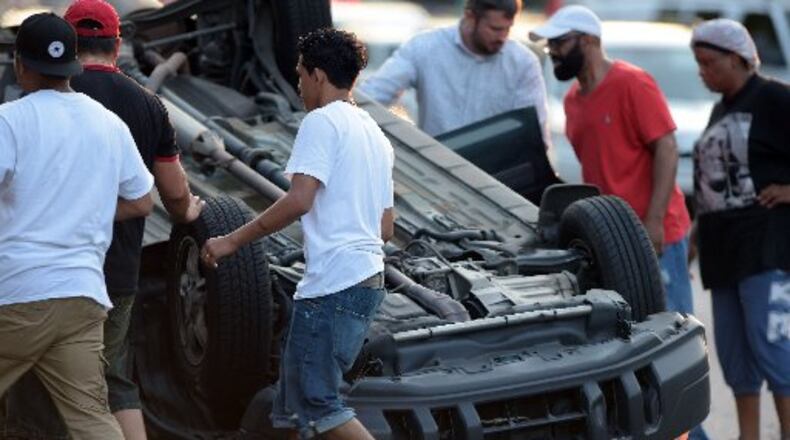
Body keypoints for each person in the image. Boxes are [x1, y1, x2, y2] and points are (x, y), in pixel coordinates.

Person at [3, 1, 204, 439]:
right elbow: (147, 199)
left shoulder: (10, 120)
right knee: (95, 408)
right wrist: (81, 212)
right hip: (90, 292)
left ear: (20, 65)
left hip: (20, 292)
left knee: (30, 410)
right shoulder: (116, 120)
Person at [201, 28, 394, 439]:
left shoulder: (321, 122)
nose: (299, 85)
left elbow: (299, 200)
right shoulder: (375, 134)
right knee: (292, 408)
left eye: (300, 75)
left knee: (318, 401)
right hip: (366, 280)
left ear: (317, 75)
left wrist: (231, 240)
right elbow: (386, 227)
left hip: (334, 284)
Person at [529, 6, 704, 438]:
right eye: (550, 45)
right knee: (637, 352)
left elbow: (666, 148)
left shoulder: (632, 83)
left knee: (672, 347)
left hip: (654, 237)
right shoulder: (573, 101)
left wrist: (654, 222)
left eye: (560, 42)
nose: (553, 52)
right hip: (614, 243)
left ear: (588, 41)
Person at [690, 18, 790, 440]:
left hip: (766, 250)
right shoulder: (721, 109)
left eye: (709, 63)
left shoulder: (774, 98)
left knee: (775, 351)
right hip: (722, 255)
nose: (703, 72)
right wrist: (694, 236)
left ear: (736, 58)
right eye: (698, 64)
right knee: (735, 358)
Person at [358, 0, 550, 141]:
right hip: (438, 170)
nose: (502, 37)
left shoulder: (523, 62)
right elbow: (374, 95)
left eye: (507, 29)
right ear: (470, 17)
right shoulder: (424, 48)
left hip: (497, 174)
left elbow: (535, 130)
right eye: (495, 29)